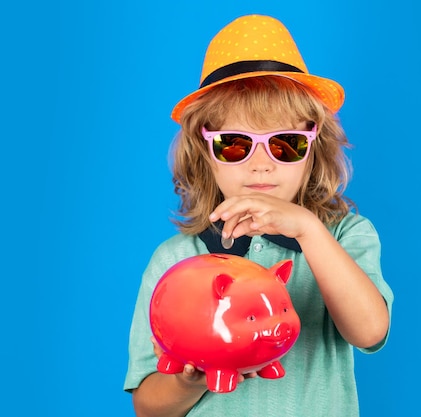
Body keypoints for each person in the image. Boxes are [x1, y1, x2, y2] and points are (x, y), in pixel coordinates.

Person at [124, 14, 394, 417]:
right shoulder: (175, 260)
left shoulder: (344, 236)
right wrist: (188, 379)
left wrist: (308, 229)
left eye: (285, 143)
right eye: (234, 144)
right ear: (205, 153)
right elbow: (148, 408)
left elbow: (370, 332)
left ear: (313, 149)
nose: (261, 164)